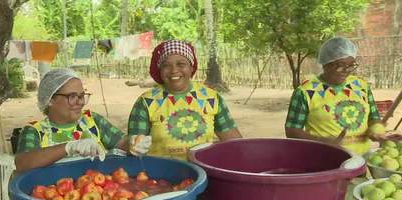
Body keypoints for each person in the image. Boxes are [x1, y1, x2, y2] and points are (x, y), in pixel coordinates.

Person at [15, 68, 152, 172]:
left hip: (100, 195)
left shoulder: (92, 120)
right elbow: (23, 163)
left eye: (82, 96)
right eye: (72, 96)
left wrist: (134, 144)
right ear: (50, 99)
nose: (80, 102)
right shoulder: (35, 131)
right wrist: (69, 147)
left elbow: (122, 142)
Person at [127, 39, 242, 162]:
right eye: (166, 65)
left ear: (192, 67)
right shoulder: (146, 102)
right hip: (160, 176)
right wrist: (133, 147)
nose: (174, 70)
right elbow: (134, 148)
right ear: (160, 70)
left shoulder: (210, 97)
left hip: (203, 175)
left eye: (181, 64)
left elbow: (234, 143)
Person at [285, 37, 386, 156]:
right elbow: (292, 131)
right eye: (340, 65)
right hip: (324, 160)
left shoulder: (361, 86)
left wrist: (375, 128)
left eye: (351, 65)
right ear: (325, 63)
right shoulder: (305, 92)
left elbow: (373, 117)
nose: (346, 71)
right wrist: (322, 142)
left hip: (360, 161)